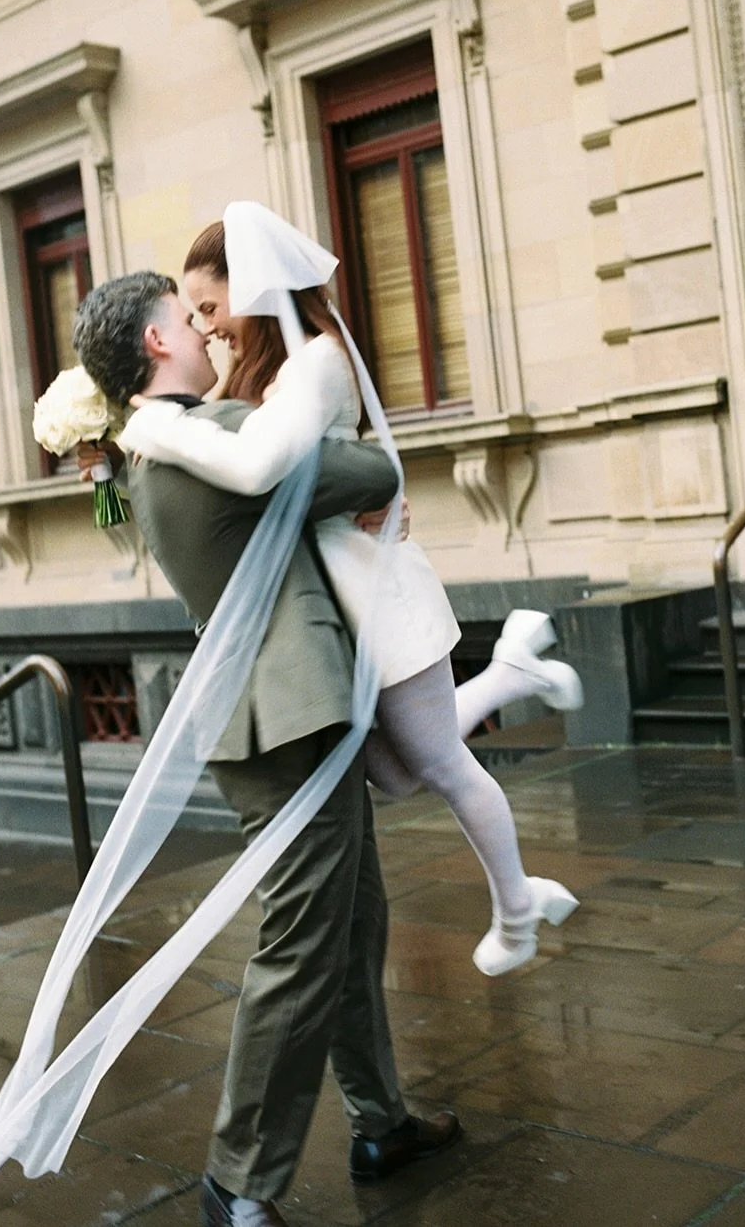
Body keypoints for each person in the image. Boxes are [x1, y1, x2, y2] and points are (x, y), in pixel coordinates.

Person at [72, 271, 461, 1227]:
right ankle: (239, 1182)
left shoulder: (147, 449)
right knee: (303, 943)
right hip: (285, 711)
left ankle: (380, 1122)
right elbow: (369, 473)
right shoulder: (218, 434)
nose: (207, 330)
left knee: (352, 918)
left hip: (267, 710)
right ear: (155, 344)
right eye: (188, 318)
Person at [117, 203, 584, 980]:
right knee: (395, 772)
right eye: (192, 313)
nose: (205, 326)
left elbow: (255, 468)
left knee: (438, 764)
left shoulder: (318, 361)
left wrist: (154, 426)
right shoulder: (263, 373)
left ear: (254, 285)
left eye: (210, 304)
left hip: (372, 589)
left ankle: (516, 908)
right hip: (334, 598)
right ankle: (511, 673)